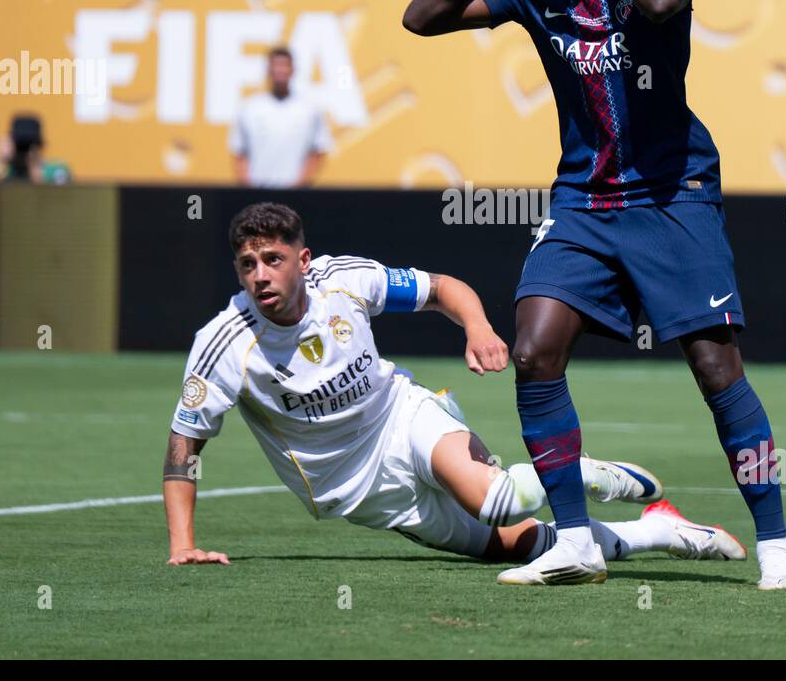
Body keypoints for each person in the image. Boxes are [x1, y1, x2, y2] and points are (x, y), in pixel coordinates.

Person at [402, 0, 786, 588]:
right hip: (584, 201)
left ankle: (775, 539)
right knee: (534, 349)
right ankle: (577, 539)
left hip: (672, 193)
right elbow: (421, 18)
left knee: (716, 367)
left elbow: (658, 4)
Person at [162, 202, 747, 571]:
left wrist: (478, 328)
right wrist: (182, 542)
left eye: (272, 258)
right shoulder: (223, 343)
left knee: (497, 502)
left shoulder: (344, 280)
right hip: (356, 490)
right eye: (248, 264)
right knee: (526, 542)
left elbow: (442, 286)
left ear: (302, 259)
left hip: (403, 415)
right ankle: (662, 532)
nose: (261, 274)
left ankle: (582, 470)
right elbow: (184, 446)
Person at [228, 47, 333, 188]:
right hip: (258, 193)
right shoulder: (250, 108)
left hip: (296, 195)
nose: (280, 70)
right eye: (276, 65)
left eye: (284, 65)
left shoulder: (309, 109)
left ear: (292, 70)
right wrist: (248, 190)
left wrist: (300, 186)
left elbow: (317, 152)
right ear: (268, 70)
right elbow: (240, 153)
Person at [0, 114, 71, 184]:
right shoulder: (4, 170)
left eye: (30, 144)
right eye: (20, 144)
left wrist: (32, 168)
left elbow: (61, 190)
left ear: (40, 145)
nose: (25, 149)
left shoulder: (55, 170)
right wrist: (1, 159)